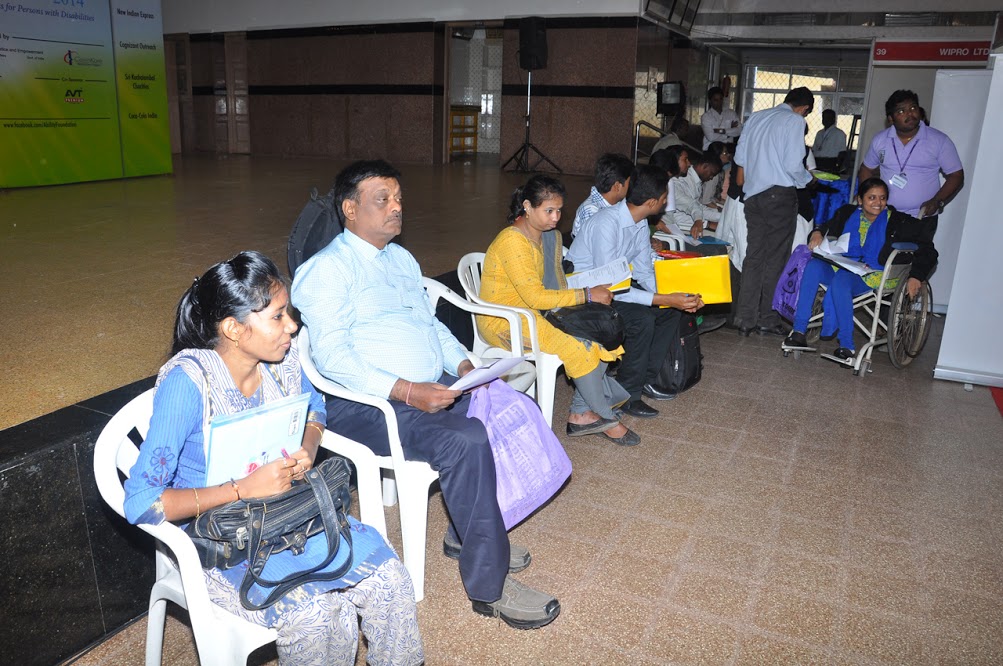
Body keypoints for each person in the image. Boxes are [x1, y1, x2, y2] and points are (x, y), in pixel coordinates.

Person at [291, 160, 560, 630]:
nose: (396, 208)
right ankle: (489, 586)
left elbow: (430, 326)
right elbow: (332, 358)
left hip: (425, 388)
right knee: (466, 439)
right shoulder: (327, 270)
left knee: (509, 406)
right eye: (382, 200)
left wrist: (466, 366)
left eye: (398, 199)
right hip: (365, 404)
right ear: (349, 209)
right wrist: (407, 390)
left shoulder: (401, 259)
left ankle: (467, 532)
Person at [123, 251, 424, 666]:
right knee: (320, 615)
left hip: (290, 514)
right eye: (278, 316)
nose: (292, 326)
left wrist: (308, 448)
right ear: (233, 328)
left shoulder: (282, 360)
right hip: (222, 541)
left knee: (390, 580)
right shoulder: (188, 384)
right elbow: (142, 503)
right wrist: (242, 489)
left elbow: (315, 406)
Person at [479, 175, 638, 446]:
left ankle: (580, 413)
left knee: (600, 334)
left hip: (536, 312)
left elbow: (549, 288)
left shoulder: (545, 236)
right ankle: (604, 415)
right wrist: (587, 294)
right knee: (579, 347)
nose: (555, 218)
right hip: (506, 320)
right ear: (527, 206)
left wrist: (587, 292)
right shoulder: (512, 241)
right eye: (549, 211)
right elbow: (534, 295)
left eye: (559, 211)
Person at [567, 164, 703, 419]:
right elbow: (610, 286)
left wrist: (676, 298)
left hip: (614, 290)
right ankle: (629, 394)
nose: (665, 203)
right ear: (652, 202)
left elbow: (643, 273)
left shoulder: (639, 223)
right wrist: (662, 298)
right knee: (642, 319)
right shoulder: (606, 224)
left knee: (670, 312)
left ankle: (645, 379)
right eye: (664, 198)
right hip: (587, 294)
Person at [784, 178, 938, 360]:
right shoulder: (847, 213)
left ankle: (846, 345)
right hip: (845, 266)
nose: (878, 202)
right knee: (813, 267)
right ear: (860, 199)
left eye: (882, 198)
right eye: (871, 197)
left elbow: (929, 250)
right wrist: (817, 232)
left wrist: (916, 276)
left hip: (876, 274)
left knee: (842, 281)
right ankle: (799, 331)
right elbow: (826, 227)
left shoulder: (900, 222)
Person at [733, 86, 816, 337]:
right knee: (776, 258)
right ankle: (767, 318)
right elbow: (792, 164)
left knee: (754, 257)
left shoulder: (756, 117)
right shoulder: (795, 121)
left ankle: (745, 318)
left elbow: (740, 158)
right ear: (804, 109)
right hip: (779, 196)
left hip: (753, 197)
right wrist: (808, 180)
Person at [859, 89, 963, 222]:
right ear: (890, 119)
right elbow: (866, 169)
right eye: (901, 111)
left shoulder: (939, 140)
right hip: (885, 214)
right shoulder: (880, 140)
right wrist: (866, 196)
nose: (909, 113)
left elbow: (956, 175)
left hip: (922, 217)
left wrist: (937, 200)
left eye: (913, 108)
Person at [571, 152, 634, 240]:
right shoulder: (591, 211)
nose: (631, 186)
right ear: (617, 186)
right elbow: (597, 244)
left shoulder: (618, 204)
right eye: (629, 183)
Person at [664, 152, 723, 240]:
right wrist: (707, 224)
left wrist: (721, 215)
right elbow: (677, 215)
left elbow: (697, 207)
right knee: (724, 236)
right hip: (680, 227)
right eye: (712, 174)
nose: (711, 178)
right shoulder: (678, 181)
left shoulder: (695, 180)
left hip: (691, 223)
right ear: (705, 166)